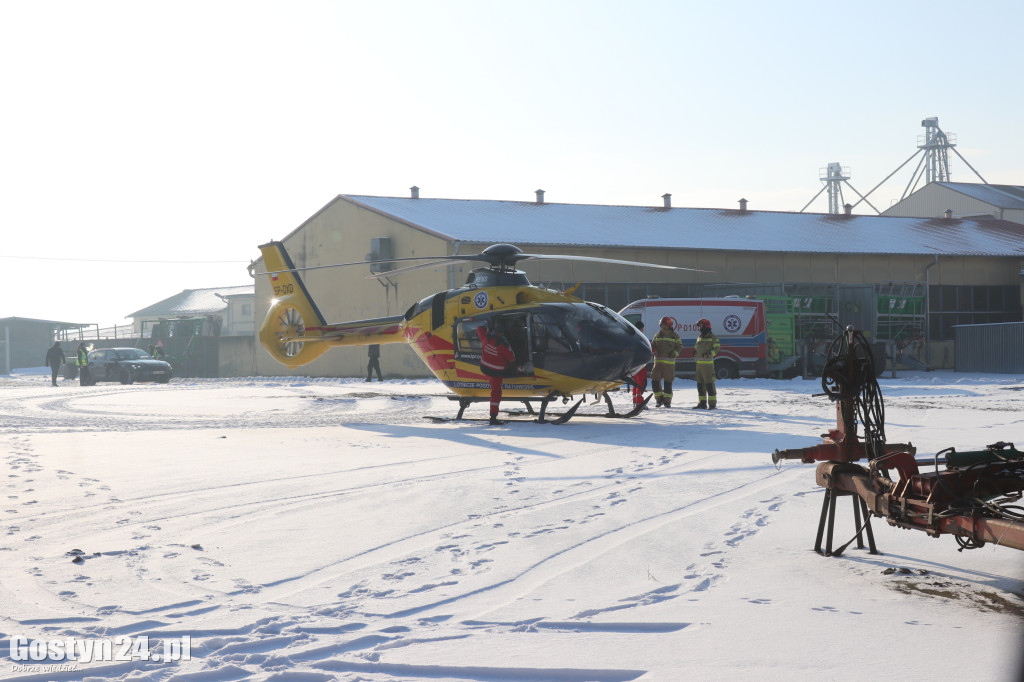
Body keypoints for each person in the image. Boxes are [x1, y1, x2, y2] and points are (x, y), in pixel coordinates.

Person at [477, 322, 517, 425]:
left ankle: (493, 416)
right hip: (495, 372)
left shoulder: (485, 338)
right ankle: (493, 417)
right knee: (496, 393)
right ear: (502, 333)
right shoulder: (503, 344)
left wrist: (488, 328)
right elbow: (512, 358)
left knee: (494, 387)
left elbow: (479, 328)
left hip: (484, 368)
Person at [650, 317, 682, 407]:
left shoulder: (675, 336)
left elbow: (679, 347)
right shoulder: (657, 335)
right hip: (658, 364)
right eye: (662, 324)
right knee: (655, 381)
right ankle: (658, 400)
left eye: (664, 324)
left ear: (669, 325)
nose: (662, 326)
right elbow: (652, 345)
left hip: (669, 365)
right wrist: (654, 349)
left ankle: (667, 402)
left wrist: (674, 353)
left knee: (668, 383)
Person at [693, 318, 722, 409]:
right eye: (699, 326)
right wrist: (695, 352)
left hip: (708, 366)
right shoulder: (699, 337)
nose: (699, 327)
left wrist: (709, 354)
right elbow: (697, 347)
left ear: (706, 326)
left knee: (709, 384)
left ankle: (712, 404)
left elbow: (717, 349)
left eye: (701, 325)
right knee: (700, 385)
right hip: (699, 366)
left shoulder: (713, 337)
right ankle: (702, 403)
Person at [631, 320, 648, 407]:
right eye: (642, 329)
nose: (643, 330)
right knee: (641, 382)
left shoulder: (631, 336)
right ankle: (639, 402)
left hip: (633, 364)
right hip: (640, 363)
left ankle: (635, 401)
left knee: (636, 382)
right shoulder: (640, 337)